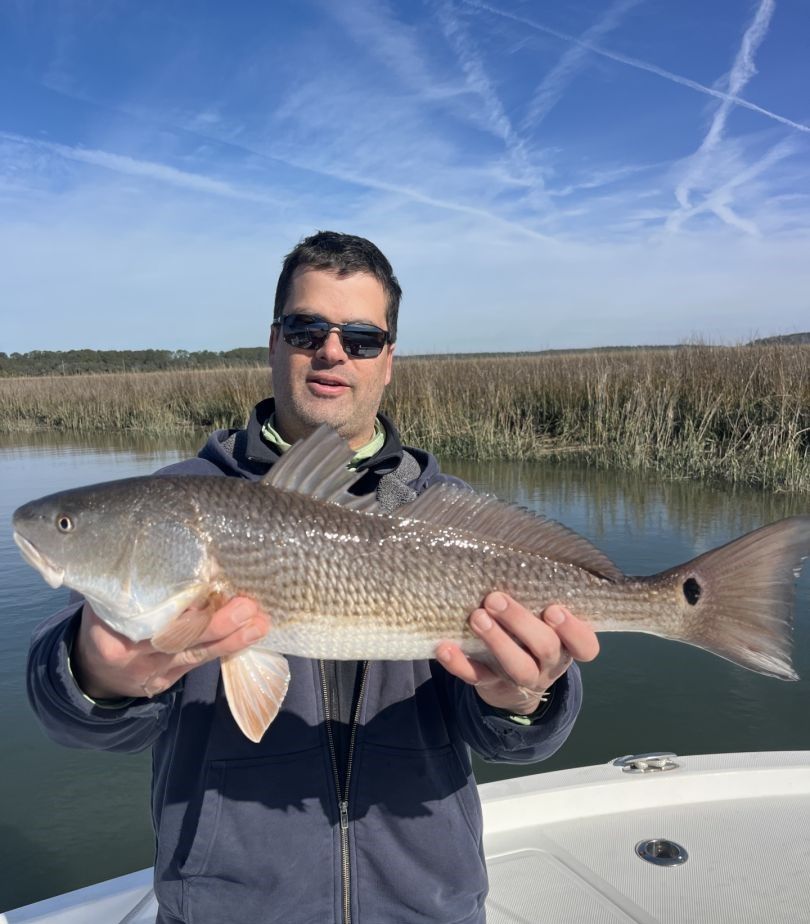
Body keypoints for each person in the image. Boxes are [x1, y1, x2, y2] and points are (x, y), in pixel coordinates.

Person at [27, 231, 600, 924]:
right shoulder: (175, 500)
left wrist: (525, 698)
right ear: (274, 342)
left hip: (426, 907)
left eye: (361, 337)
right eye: (308, 330)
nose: (332, 351)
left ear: (388, 360)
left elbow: (514, 739)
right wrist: (96, 675)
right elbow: (73, 720)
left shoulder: (451, 521)